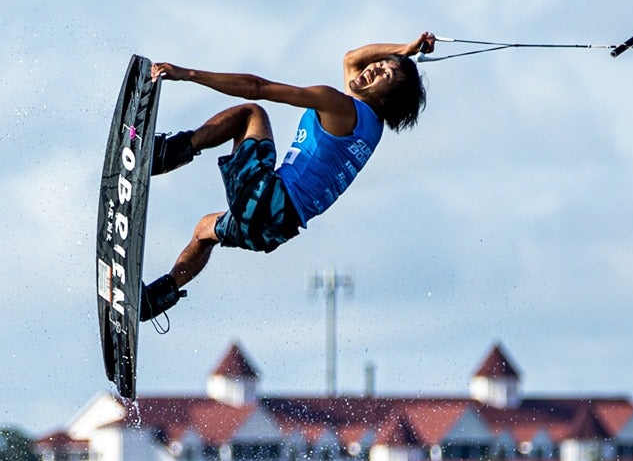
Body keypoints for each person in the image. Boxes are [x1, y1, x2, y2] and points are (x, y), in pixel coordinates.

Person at [138, 33, 436, 322]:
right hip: (276, 229)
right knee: (204, 231)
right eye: (381, 63)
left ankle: (163, 155)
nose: (374, 67)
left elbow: (257, 87)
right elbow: (352, 59)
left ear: (388, 97)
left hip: (271, 199)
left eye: (385, 74)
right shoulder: (371, 130)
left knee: (251, 113)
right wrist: (404, 51)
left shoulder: (340, 106)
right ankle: (154, 300)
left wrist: (188, 73)